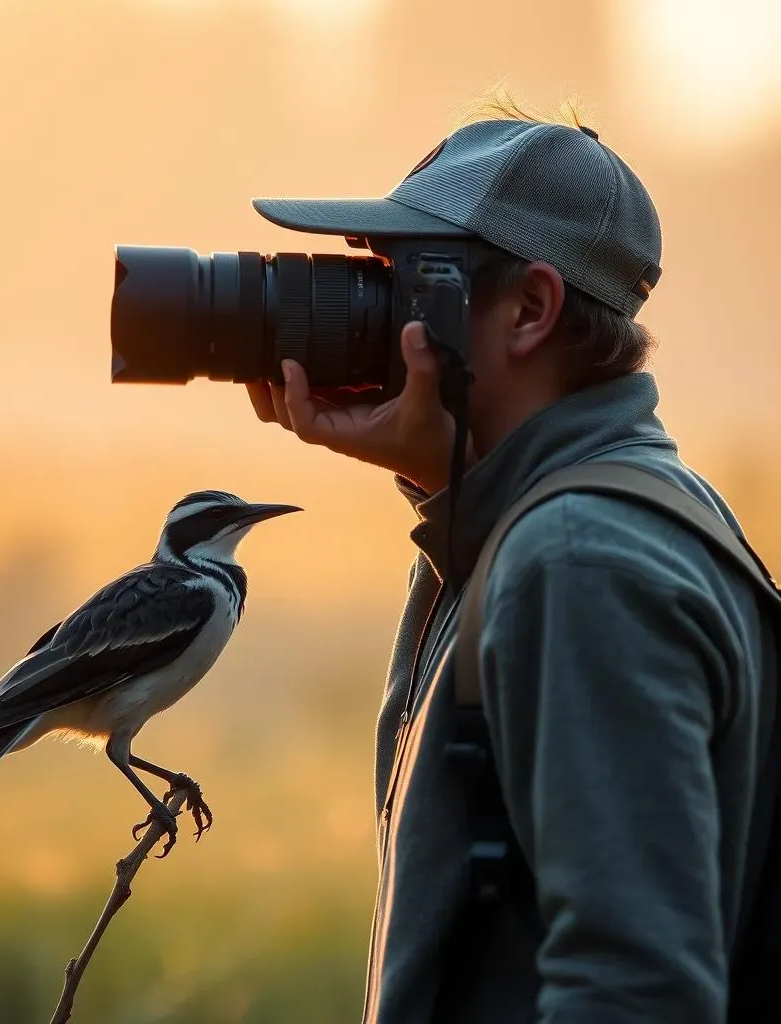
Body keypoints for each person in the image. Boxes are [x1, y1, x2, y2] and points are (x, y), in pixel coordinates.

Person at [246, 101, 776, 1023]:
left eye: (405, 281)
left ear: (529, 309)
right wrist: (434, 473)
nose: (370, 314)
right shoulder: (611, 513)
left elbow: (635, 993)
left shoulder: (580, 561)